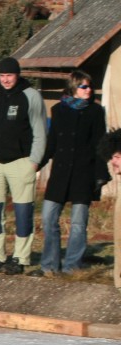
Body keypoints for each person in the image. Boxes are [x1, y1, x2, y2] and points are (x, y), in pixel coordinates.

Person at [29, 71, 110, 277]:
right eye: (84, 86)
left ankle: (72, 265)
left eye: (90, 86)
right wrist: (38, 163)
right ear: (73, 88)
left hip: (83, 173)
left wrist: (100, 175)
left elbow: (99, 145)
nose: (88, 90)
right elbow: (53, 141)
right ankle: (49, 265)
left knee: (78, 223)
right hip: (60, 173)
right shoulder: (58, 110)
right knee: (48, 218)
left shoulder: (95, 111)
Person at [0, 56, 47, 275]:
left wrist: (34, 161)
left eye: (10, 75)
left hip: (21, 162)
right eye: (3, 75)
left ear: (18, 75)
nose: (6, 80)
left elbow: (40, 131)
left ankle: (20, 257)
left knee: (23, 212)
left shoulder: (31, 96)